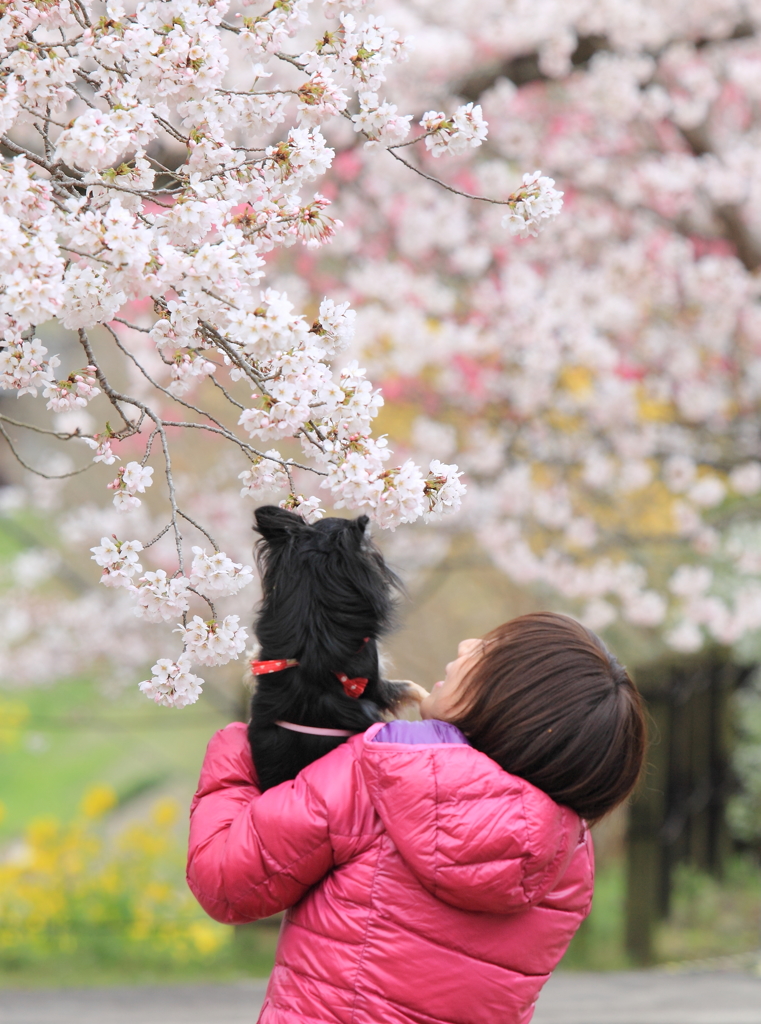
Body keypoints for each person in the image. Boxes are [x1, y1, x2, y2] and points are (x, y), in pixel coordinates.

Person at [187, 612, 646, 1024]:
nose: (467, 645)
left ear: (513, 700)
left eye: (488, 652)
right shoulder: (569, 861)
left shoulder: (377, 776)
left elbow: (226, 883)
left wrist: (242, 748)